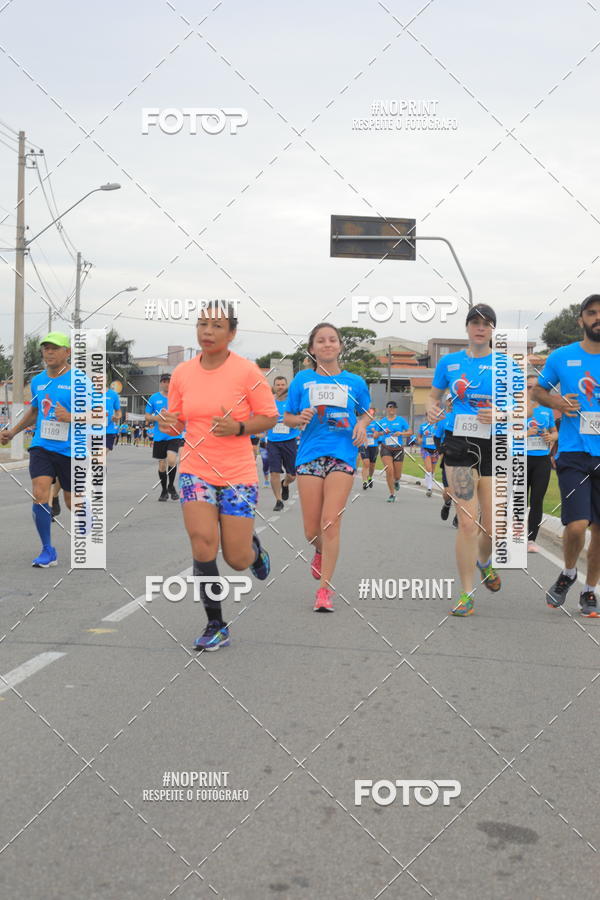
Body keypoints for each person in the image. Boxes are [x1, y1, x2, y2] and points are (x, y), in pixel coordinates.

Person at [158, 302, 278, 650]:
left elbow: (269, 417)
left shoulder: (247, 372)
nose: (207, 331)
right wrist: (170, 421)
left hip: (238, 474)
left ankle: (255, 552)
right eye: (202, 324)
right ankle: (216, 624)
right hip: (196, 469)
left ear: (232, 333)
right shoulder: (182, 373)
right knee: (202, 542)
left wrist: (239, 426)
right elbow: (179, 419)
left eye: (216, 326)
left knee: (236, 558)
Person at [284, 322, 370, 612]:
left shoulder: (354, 382)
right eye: (321, 341)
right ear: (312, 348)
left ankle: (325, 590)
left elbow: (367, 410)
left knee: (330, 522)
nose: (327, 344)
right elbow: (288, 418)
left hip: (343, 454)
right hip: (309, 455)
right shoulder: (301, 381)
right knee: (312, 530)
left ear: (340, 346)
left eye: (332, 340)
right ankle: (319, 550)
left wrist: (361, 424)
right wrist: (300, 417)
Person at [427, 303, 504, 616]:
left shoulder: (506, 365)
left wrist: (501, 413)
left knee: (493, 526)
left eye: (486, 323)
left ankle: (484, 561)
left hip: (494, 445)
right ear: (468, 328)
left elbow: (523, 408)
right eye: (474, 322)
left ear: (492, 330)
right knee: (469, 523)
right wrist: (433, 408)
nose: (480, 328)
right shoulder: (450, 362)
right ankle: (466, 593)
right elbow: (434, 396)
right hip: (458, 443)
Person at [532, 294, 600, 616]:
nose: (597, 318)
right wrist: (558, 404)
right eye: (592, 313)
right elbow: (538, 391)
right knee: (576, 526)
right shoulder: (562, 357)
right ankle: (569, 572)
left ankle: (589, 590)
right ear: (581, 320)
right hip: (574, 452)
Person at [0, 332, 79, 567]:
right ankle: (47, 549)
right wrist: (13, 432)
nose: (49, 352)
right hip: (42, 445)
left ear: (68, 352)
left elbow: (98, 415)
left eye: (55, 348)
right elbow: (35, 411)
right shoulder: (38, 381)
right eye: (46, 348)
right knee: (40, 493)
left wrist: (72, 417)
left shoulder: (80, 380)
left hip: (71, 449)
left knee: (71, 502)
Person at [525, 374, 558, 553]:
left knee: (537, 500)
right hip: (520, 459)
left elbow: (554, 433)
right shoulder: (515, 409)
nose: (532, 391)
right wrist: (526, 433)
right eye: (528, 387)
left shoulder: (546, 410)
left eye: (535, 387)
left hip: (541, 460)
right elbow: (504, 437)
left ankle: (531, 539)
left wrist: (549, 436)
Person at [145, 374, 181, 501]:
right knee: (162, 465)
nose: (167, 384)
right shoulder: (154, 398)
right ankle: (164, 490)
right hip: (159, 436)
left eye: (169, 381)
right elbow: (147, 416)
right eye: (164, 381)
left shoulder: (178, 397)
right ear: (161, 383)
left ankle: (171, 486)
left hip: (174, 435)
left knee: (172, 460)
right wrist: (157, 418)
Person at [267, 375, 299, 511]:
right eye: (278, 385)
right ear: (274, 387)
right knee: (274, 472)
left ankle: (285, 484)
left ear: (286, 386)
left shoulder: (292, 402)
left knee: (292, 475)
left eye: (282, 384)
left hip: (289, 441)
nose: (280, 387)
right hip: (273, 442)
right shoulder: (268, 402)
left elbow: (299, 419)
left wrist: (294, 422)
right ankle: (278, 500)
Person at [375, 401, 411, 502]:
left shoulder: (401, 420)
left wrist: (401, 433)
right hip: (386, 448)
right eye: (390, 407)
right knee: (389, 471)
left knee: (397, 474)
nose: (392, 409)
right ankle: (391, 494)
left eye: (394, 407)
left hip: (398, 449)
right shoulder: (382, 422)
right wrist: (382, 432)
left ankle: (397, 481)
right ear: (387, 408)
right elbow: (375, 435)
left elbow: (410, 432)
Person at [417, 419, 440, 497]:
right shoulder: (423, 426)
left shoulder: (438, 426)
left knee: (432, 470)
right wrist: (420, 440)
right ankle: (429, 488)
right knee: (428, 468)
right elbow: (419, 437)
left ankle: (428, 479)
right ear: (426, 416)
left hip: (435, 450)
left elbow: (442, 436)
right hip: (425, 449)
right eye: (429, 416)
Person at [359, 407, 379, 490]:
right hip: (364, 446)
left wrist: (374, 431)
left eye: (372, 413)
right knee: (366, 463)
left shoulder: (376, 423)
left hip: (373, 446)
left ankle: (370, 477)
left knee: (372, 465)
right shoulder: (362, 423)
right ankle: (364, 482)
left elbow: (376, 436)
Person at [104, 385, 122, 456]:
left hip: (109, 430)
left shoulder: (113, 394)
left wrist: (117, 417)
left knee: (101, 454)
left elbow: (118, 411)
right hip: (93, 430)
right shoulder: (89, 392)